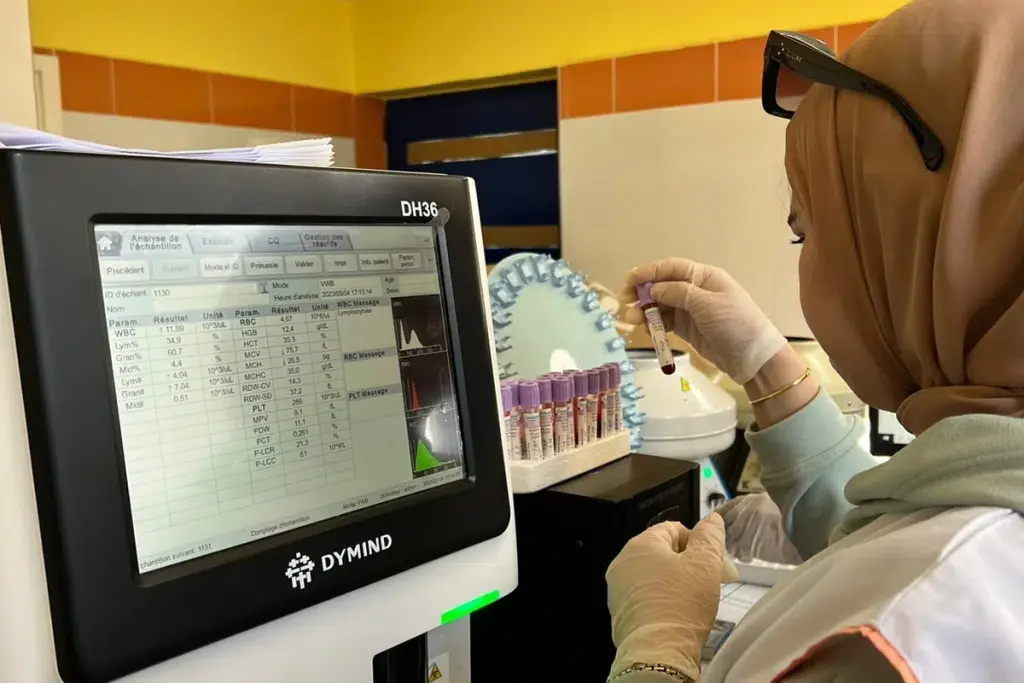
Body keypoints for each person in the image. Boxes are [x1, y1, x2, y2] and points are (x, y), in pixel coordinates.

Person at [603, 0, 1024, 681]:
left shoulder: (902, 633)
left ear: (918, 242)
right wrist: (765, 365)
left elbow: (908, 572)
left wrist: (658, 651)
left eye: (809, 234)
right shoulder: (985, 513)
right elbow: (894, 540)